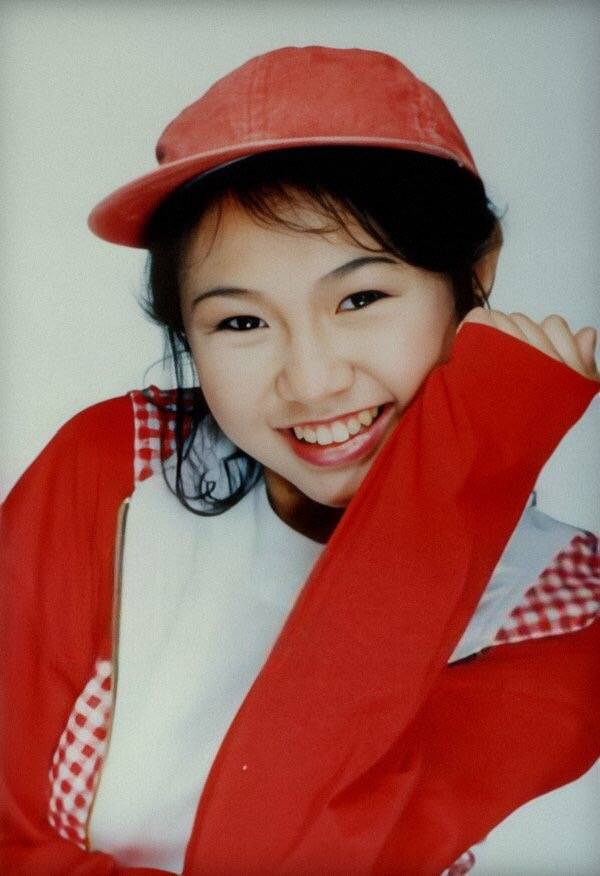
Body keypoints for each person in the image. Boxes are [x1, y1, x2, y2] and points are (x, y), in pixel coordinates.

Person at [1, 45, 598, 876]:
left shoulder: (558, 615)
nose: (311, 382)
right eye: (241, 322)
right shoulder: (115, 468)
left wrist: (470, 463)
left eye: (361, 298)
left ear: (475, 273)